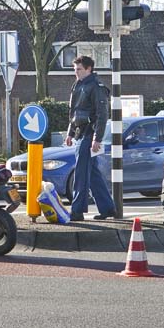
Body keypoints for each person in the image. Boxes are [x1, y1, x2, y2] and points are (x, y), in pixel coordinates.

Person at [64, 55, 116, 222]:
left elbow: (102, 115)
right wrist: (70, 133)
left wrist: (97, 138)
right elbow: (74, 112)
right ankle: (107, 208)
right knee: (92, 173)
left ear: (89, 69)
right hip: (81, 133)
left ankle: (77, 211)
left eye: (79, 69)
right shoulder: (78, 85)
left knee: (80, 172)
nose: (76, 73)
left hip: (89, 133)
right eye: (75, 70)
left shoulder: (96, 86)